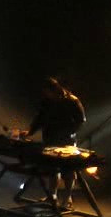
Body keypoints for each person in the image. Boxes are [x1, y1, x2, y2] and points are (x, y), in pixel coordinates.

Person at [20, 77, 86, 209]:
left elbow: (81, 120)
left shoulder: (72, 100)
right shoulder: (47, 101)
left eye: (47, 92)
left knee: (68, 170)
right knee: (53, 168)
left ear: (54, 89)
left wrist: (69, 132)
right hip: (50, 139)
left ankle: (67, 198)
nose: (45, 95)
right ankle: (52, 196)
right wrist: (30, 132)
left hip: (67, 141)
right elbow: (39, 118)